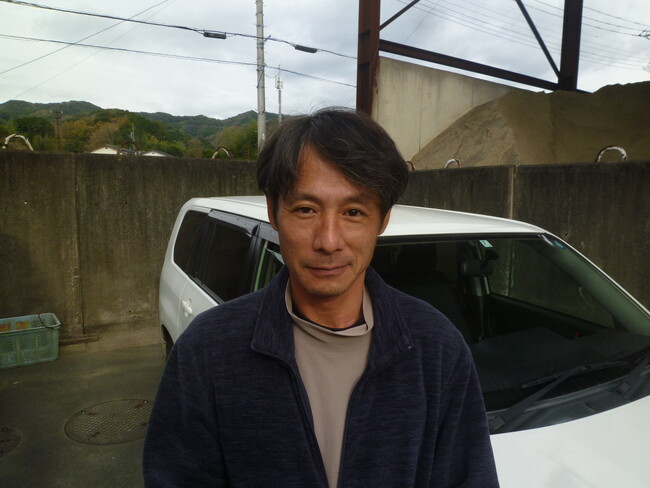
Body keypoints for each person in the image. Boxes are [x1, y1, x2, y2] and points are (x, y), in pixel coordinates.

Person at [143, 108, 499, 487]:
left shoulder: (437, 349)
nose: (328, 241)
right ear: (273, 212)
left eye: (354, 212)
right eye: (306, 209)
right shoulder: (207, 352)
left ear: (383, 220)